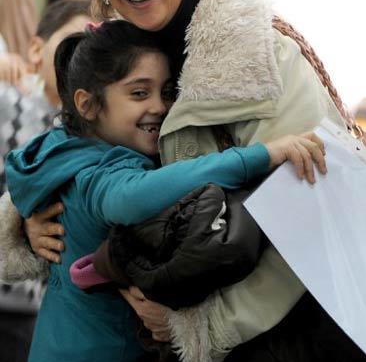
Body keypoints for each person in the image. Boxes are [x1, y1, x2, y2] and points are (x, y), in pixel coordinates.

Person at [1, 0, 366, 361]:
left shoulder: (260, 53)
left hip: (276, 337)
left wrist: (205, 324)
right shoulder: (118, 54)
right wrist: (30, 222)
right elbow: (70, 147)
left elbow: (316, 210)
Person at [5, 20, 326, 362]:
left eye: (167, 92)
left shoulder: (62, 150)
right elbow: (130, 198)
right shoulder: (98, 173)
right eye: (139, 93)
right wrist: (258, 156)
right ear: (87, 104)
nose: (160, 106)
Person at [0, 0, 90, 362]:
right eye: (74, 40)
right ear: (36, 50)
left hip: (30, 313)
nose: (83, 56)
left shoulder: (86, 137)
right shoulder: (9, 104)